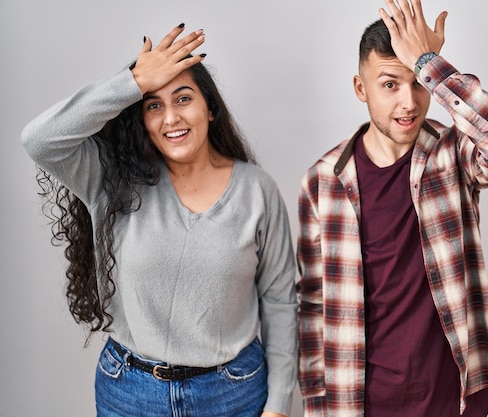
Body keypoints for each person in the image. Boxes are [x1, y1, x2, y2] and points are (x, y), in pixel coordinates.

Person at [21, 23, 297, 417]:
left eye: (183, 99)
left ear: (210, 109)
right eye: (154, 105)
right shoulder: (111, 180)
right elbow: (39, 139)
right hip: (129, 394)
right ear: (141, 118)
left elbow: (279, 300)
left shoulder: (258, 191)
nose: (171, 118)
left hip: (233, 394)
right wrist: (132, 82)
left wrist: (280, 403)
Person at [296, 0, 488, 415]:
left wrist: (430, 63)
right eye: (389, 84)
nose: (408, 102)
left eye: (417, 84)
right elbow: (313, 304)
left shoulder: (452, 154)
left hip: (450, 396)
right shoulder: (324, 181)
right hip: (361, 400)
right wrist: (318, 405)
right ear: (360, 88)